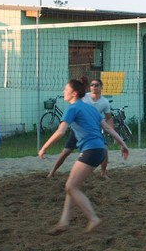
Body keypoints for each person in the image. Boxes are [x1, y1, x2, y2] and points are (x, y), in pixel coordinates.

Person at [39, 77, 130, 234]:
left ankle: (93, 218)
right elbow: (108, 129)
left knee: (71, 186)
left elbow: (61, 131)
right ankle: (63, 222)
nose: (63, 92)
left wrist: (44, 147)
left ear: (74, 93)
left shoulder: (73, 108)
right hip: (100, 149)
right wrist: (123, 144)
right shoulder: (90, 108)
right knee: (71, 185)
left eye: (66, 89)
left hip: (91, 150)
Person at [47, 78, 114, 179]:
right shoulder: (85, 97)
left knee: (104, 150)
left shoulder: (104, 102)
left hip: (92, 130)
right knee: (66, 151)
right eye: (92, 85)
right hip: (79, 129)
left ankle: (103, 174)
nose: (93, 87)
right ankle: (52, 172)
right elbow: (75, 103)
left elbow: (108, 118)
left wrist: (111, 131)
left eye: (96, 85)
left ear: (101, 87)